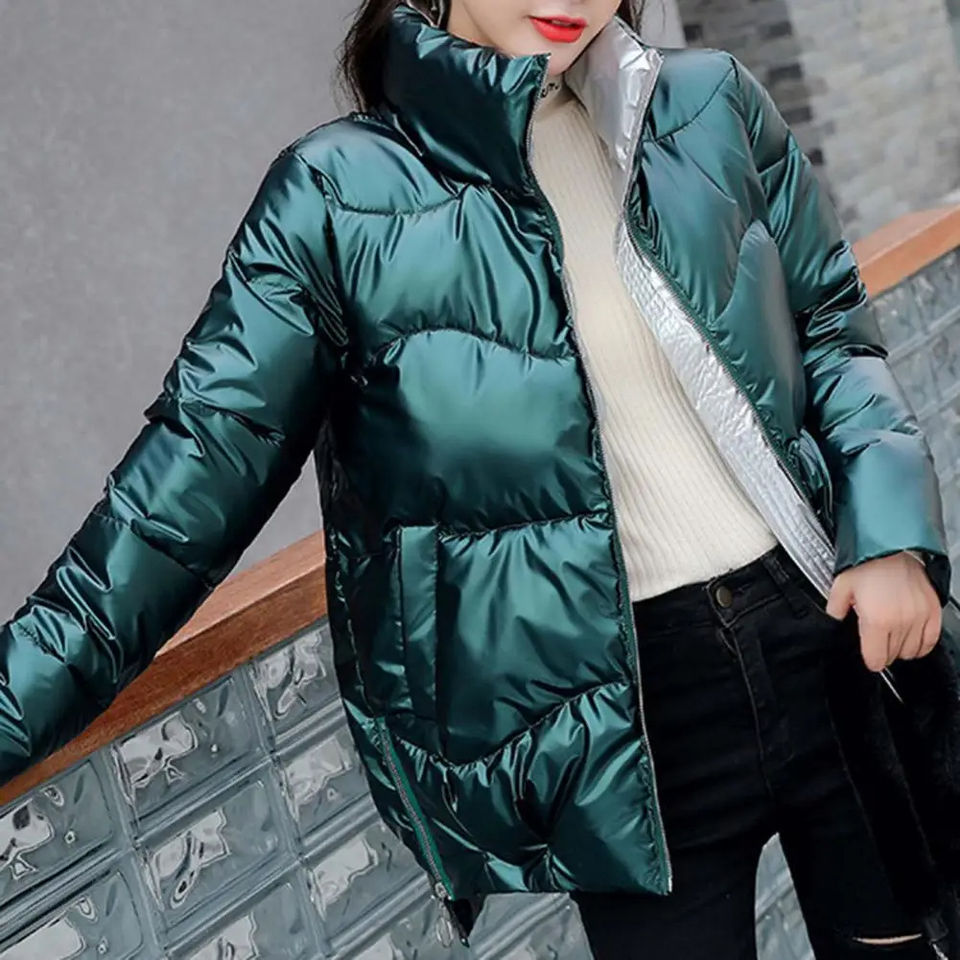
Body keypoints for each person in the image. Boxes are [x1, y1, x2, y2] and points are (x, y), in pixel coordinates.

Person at [1, 0, 956, 956]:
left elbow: (831, 326)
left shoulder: (711, 103)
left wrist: (890, 539)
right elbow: (177, 498)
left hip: (830, 643)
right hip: (620, 726)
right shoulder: (335, 197)